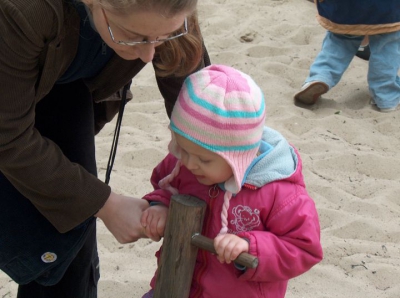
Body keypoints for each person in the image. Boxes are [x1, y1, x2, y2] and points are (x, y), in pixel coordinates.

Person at [0, 0, 210, 297]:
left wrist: (217, 156)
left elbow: (196, 98)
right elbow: (8, 138)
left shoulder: (167, 8)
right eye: (134, 36)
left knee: (68, 243)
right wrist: (105, 203)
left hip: (64, 85)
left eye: (162, 37)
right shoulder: (23, 10)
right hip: (10, 94)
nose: (149, 54)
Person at [140, 64, 323, 298]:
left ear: (238, 157)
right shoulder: (185, 163)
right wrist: (160, 205)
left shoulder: (280, 193)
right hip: (173, 283)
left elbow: (304, 248)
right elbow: (164, 183)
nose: (190, 164)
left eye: (204, 160)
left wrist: (251, 246)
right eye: (182, 149)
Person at [294, 0, 400, 112]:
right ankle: (386, 96)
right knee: (386, 45)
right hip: (386, 9)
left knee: (340, 39)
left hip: (346, 7)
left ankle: (321, 76)